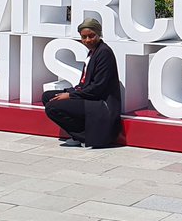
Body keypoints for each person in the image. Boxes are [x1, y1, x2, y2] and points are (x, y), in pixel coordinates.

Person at [42, 18, 122, 148]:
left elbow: (97, 88)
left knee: (52, 107)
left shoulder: (104, 53)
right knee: (47, 96)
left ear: (98, 34)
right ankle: (80, 132)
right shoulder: (93, 52)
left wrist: (70, 95)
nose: (87, 40)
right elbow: (85, 83)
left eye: (91, 36)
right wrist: (71, 91)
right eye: (84, 37)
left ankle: (85, 136)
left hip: (100, 103)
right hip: (89, 96)